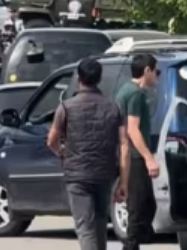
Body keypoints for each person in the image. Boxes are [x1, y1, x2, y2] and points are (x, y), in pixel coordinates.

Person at [47, 58, 125, 250]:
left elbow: (51, 141)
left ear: (79, 78)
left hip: (77, 175)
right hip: (104, 173)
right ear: (99, 79)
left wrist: (62, 153)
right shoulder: (113, 107)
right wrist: (124, 180)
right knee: (99, 224)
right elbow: (124, 143)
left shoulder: (66, 107)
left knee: (85, 227)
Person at [116, 53, 161, 250]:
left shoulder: (125, 90)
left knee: (147, 205)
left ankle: (138, 241)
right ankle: (131, 246)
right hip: (135, 157)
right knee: (138, 208)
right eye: (156, 71)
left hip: (132, 156)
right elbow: (132, 129)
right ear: (147, 71)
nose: (156, 76)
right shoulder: (135, 94)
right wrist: (149, 158)